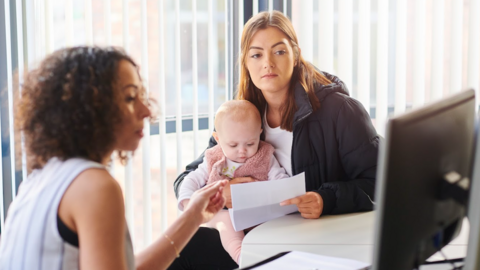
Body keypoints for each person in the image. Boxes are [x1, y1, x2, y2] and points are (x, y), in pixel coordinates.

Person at [172, 10, 379, 269]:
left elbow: (381, 183)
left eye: (279, 51)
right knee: (182, 251)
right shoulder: (243, 114)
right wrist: (219, 194)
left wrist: (325, 199)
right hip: (252, 237)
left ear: (295, 55)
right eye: (256, 54)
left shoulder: (340, 111)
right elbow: (192, 174)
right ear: (246, 63)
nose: (267, 63)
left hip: (309, 242)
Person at [0, 46, 228, 270]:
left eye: (141, 95)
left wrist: (193, 216)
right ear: (90, 108)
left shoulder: (39, 181)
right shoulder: (95, 186)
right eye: (130, 98)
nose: (147, 111)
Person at [177, 100, 289, 263]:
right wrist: (189, 204)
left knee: (268, 229)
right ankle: (241, 256)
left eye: (250, 143)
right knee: (227, 224)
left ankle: (266, 258)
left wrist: (271, 193)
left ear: (260, 133)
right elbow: (191, 180)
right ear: (218, 139)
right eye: (233, 145)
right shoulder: (213, 158)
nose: (242, 151)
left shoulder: (265, 156)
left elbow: (280, 180)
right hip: (222, 213)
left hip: (256, 213)